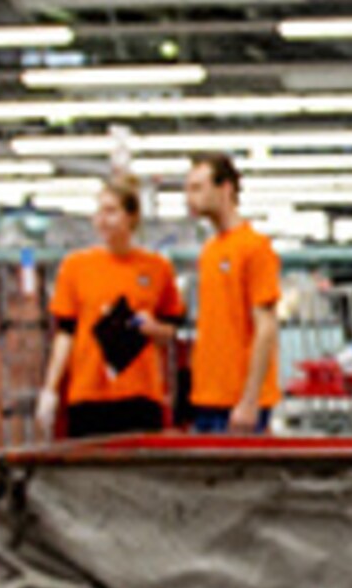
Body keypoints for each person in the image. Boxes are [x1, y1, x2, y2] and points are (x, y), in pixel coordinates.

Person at [34, 173, 182, 441]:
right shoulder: (76, 267)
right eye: (99, 211)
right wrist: (50, 389)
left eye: (111, 211)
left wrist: (153, 328)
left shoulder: (157, 269)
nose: (102, 219)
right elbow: (65, 333)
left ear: (131, 217)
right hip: (88, 394)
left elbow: (171, 330)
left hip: (140, 395)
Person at [184, 152, 281, 433]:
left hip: (240, 404)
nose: (190, 198)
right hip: (207, 397)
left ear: (225, 189)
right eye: (188, 189)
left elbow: (266, 328)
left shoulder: (254, 247)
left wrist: (249, 401)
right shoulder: (210, 251)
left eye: (197, 188)